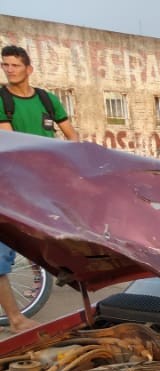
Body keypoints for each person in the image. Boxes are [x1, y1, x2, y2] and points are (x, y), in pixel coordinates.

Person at [0, 44, 77, 332]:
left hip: (45, 181)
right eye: (5, 65)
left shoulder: (47, 99)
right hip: (11, 183)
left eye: (15, 65)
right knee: (4, 249)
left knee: (67, 225)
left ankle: (68, 269)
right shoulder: (2, 99)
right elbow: (10, 144)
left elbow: (71, 136)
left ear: (28, 69)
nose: (9, 70)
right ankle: (16, 319)